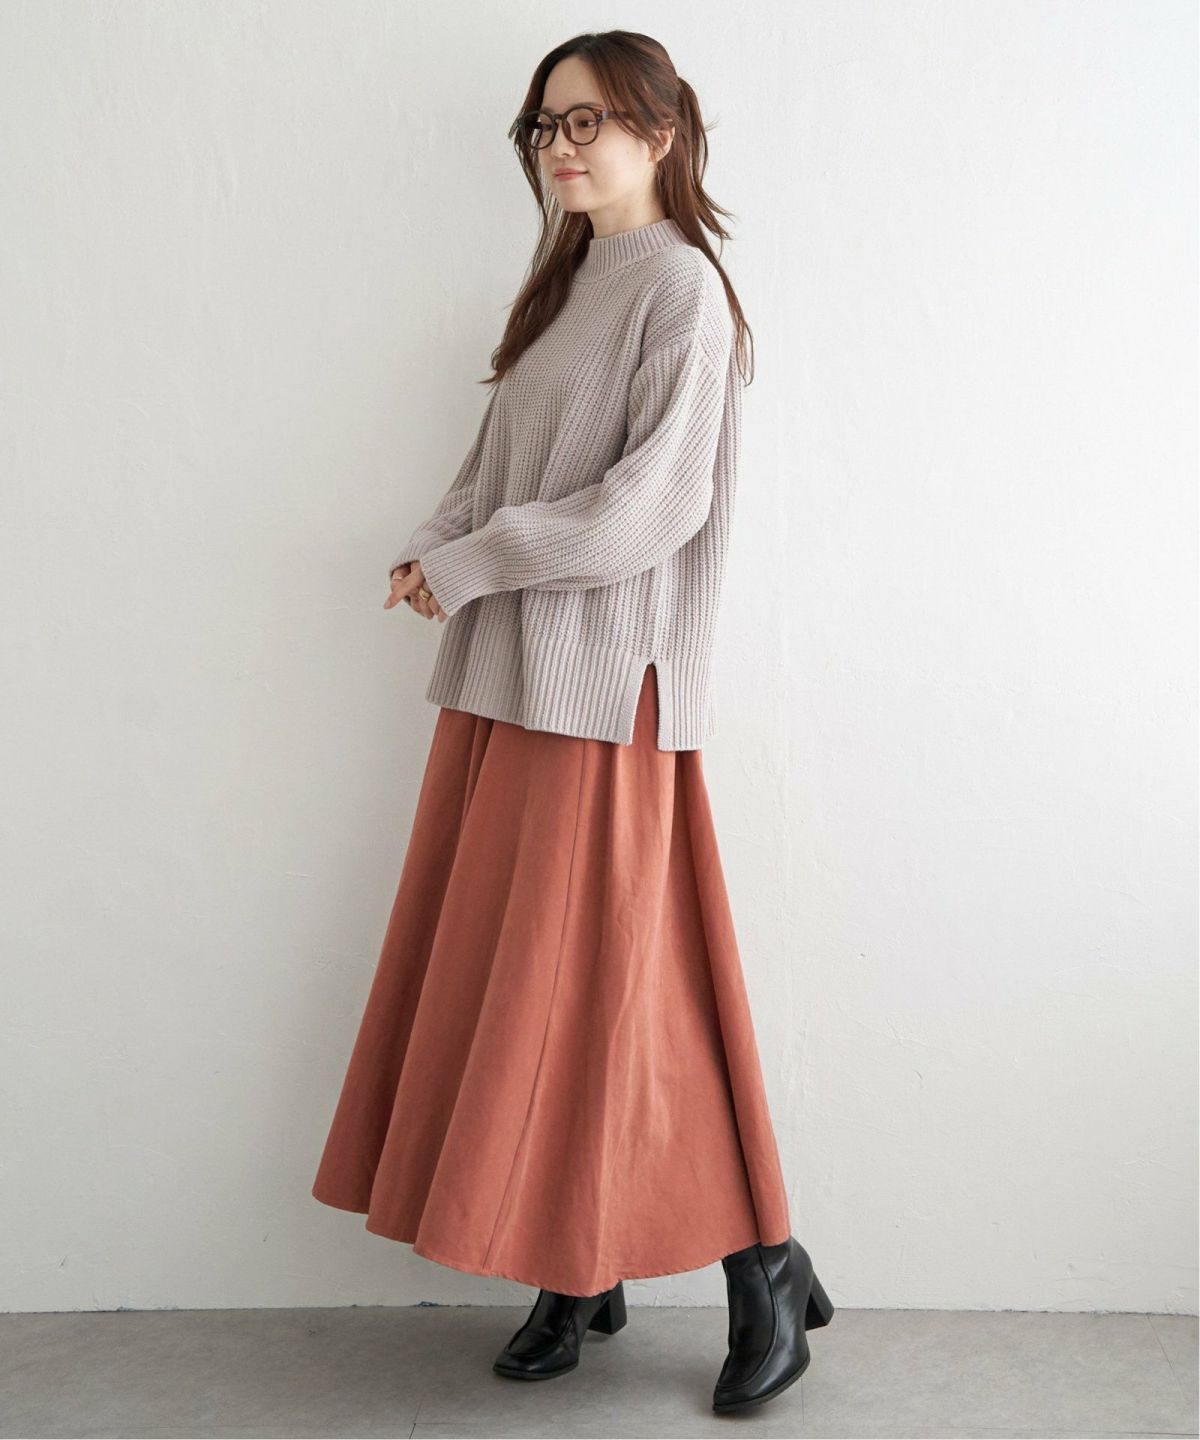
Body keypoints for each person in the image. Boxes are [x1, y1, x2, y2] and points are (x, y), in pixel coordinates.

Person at [311, 28, 833, 1415]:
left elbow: (649, 509)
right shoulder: (566, 281)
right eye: (545, 125)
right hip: (507, 685)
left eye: (589, 119)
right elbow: (490, 468)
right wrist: (434, 551)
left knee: (622, 998)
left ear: (664, 130)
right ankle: (575, 1269)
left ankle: (764, 1263)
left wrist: (475, 563)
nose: (561, 145)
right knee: (527, 992)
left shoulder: (682, 290)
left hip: (607, 697)